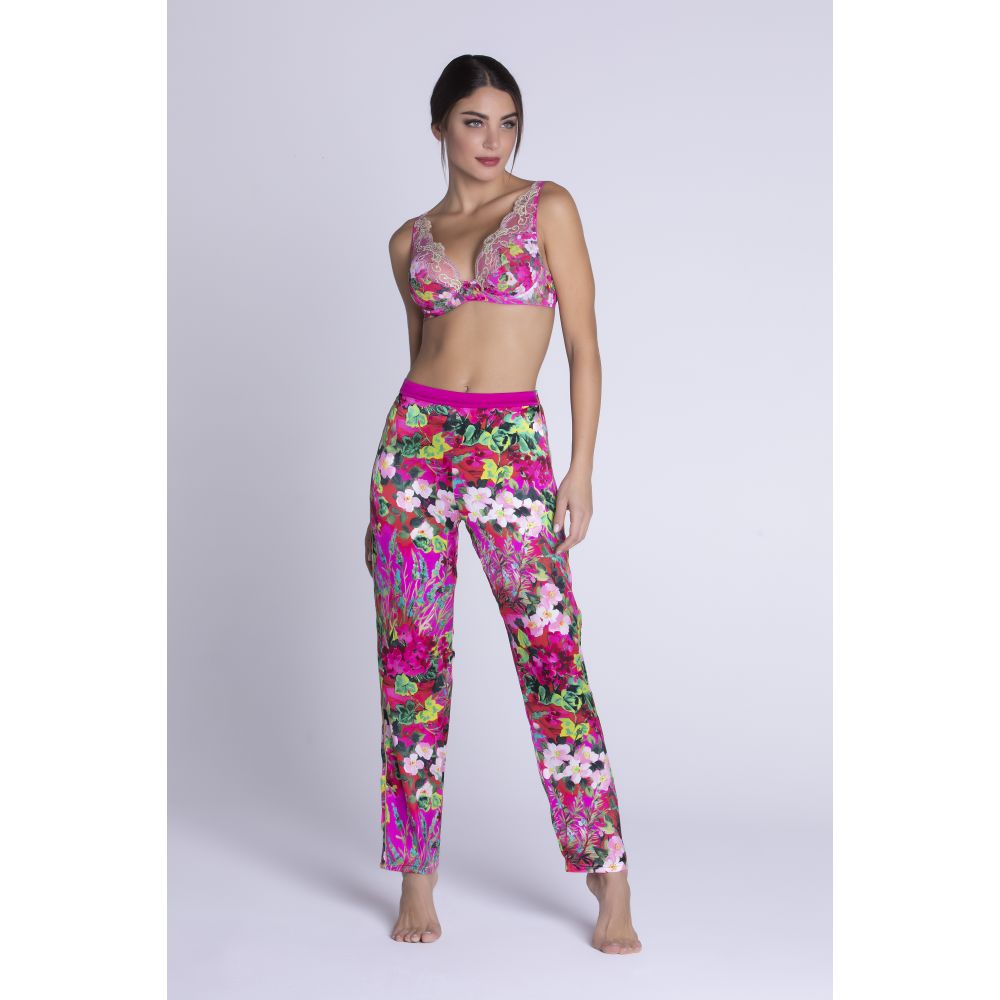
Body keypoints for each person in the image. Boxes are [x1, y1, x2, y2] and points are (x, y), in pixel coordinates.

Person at [364, 54, 642, 955]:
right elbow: (420, 353)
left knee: (552, 653)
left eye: (508, 121)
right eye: (475, 121)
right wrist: (383, 498)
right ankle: (415, 877)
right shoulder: (408, 242)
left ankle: (608, 875)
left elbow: (584, 347)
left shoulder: (547, 206)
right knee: (411, 660)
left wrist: (580, 470)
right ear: (440, 126)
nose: (494, 140)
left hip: (512, 447)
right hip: (415, 449)